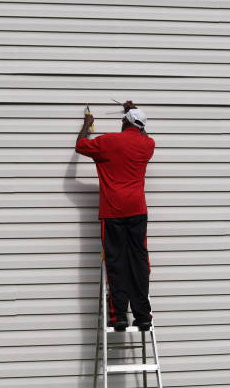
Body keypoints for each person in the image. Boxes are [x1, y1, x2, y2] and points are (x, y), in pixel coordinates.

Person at [75, 100, 156, 331]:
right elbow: (142, 133)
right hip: (138, 211)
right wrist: (133, 111)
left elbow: (81, 146)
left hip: (113, 212)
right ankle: (143, 316)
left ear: (123, 122)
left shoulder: (108, 142)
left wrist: (87, 124)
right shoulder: (147, 145)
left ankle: (119, 314)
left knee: (116, 260)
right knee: (140, 262)